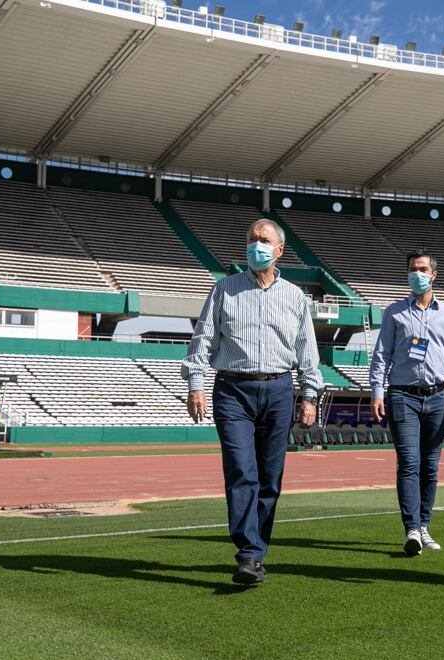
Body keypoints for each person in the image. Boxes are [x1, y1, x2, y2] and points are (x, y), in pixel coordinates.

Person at [182, 218, 323, 585]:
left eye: (263, 240)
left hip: (278, 390)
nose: (255, 245)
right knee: (242, 470)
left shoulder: (294, 297)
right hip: (232, 390)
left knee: (270, 477)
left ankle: (256, 552)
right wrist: (195, 384)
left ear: (279, 251)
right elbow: (203, 341)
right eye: (251, 239)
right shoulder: (224, 289)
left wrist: (309, 395)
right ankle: (247, 554)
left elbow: (307, 350)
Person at [369, 248, 444, 556]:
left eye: (423, 269)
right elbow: (381, 355)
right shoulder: (395, 312)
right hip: (402, 395)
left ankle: (424, 524)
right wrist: (376, 391)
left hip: (438, 397)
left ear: (434, 274)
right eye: (413, 269)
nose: (418, 274)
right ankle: (411, 528)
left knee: (430, 467)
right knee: (409, 463)